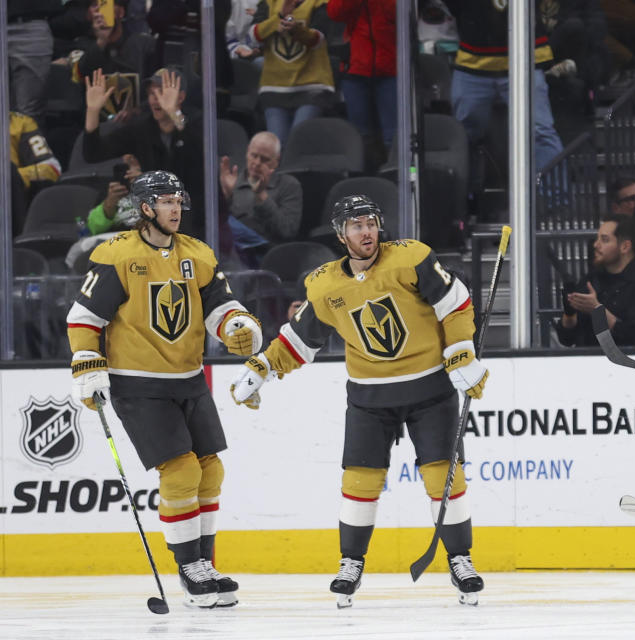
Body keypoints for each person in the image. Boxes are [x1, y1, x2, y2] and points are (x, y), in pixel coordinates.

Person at [229, 194, 489, 608]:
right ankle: (351, 563)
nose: (366, 232)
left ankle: (461, 559)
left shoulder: (412, 259)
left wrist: (461, 350)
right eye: (356, 226)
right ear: (340, 234)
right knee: (359, 484)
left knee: (444, 479)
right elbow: (299, 341)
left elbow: (455, 303)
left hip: (430, 390)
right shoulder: (325, 285)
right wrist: (262, 368)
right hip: (369, 397)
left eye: (370, 223)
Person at [66, 170, 263, 608]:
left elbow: (219, 307)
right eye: (166, 201)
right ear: (146, 208)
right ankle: (189, 568)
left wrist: (237, 326)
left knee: (210, 470)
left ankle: (205, 563)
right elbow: (84, 317)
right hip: (138, 383)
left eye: (179, 200)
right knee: (180, 472)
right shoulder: (116, 254)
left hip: (188, 378)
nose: (176, 209)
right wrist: (87, 364)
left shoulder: (197, 252)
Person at [82, 67, 206, 237]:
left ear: (181, 97)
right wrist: (93, 111)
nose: (156, 100)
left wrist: (174, 114)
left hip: (189, 221)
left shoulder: (197, 124)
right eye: (152, 94)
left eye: (162, 93)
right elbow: (93, 153)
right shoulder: (140, 129)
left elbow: (197, 158)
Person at [445, 0, 565, 175]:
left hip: (525, 59)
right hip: (473, 61)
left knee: (540, 132)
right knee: (463, 135)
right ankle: (463, 198)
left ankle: (555, 200)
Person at [555, 213, 635, 347]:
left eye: (604, 240)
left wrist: (597, 311)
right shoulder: (591, 280)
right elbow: (566, 339)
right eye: (597, 238)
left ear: (625, 247)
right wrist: (569, 314)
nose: (595, 245)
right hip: (588, 362)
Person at [250, 0, 336, 145]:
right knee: (277, 149)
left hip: (311, 87)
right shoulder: (268, 3)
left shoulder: (319, 3)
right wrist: (279, 16)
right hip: (274, 87)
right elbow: (254, 36)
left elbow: (318, 39)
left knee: (298, 144)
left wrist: (297, 30)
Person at [219, 131, 303, 267]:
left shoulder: (289, 185)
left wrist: (261, 196)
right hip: (232, 251)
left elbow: (287, 231)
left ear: (276, 161)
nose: (257, 163)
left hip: (267, 252)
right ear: (247, 153)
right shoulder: (233, 181)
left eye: (264, 159)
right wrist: (226, 196)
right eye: (254, 156)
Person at [327, 0, 398, 157]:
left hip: (390, 69)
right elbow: (335, 12)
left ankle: (395, 176)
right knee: (360, 136)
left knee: (393, 136)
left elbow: (399, 14)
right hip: (355, 69)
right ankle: (362, 178)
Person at [76, 0, 159, 83]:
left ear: (121, 12)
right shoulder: (82, 43)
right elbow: (80, 75)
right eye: (94, 5)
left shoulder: (143, 43)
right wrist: (101, 41)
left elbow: (163, 72)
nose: (99, 9)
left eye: (105, 4)